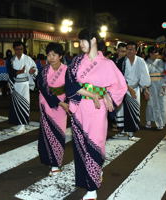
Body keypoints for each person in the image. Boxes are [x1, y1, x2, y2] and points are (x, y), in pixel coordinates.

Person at [65, 28, 127, 200]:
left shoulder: (107, 63)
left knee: (95, 144)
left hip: (97, 110)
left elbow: (120, 86)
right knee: (81, 147)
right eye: (79, 41)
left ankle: (92, 188)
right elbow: (70, 85)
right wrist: (92, 93)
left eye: (83, 40)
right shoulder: (76, 61)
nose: (80, 44)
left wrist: (109, 96)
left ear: (93, 40)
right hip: (79, 109)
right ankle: (88, 178)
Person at [37, 43, 69, 176]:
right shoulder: (44, 71)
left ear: (60, 56)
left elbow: (72, 89)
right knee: (46, 133)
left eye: (54, 55)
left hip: (62, 108)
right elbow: (43, 88)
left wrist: (66, 103)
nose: (51, 58)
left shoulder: (67, 70)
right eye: (49, 55)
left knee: (59, 134)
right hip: (46, 104)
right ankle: (49, 160)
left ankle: (56, 163)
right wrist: (60, 103)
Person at [114, 41, 151, 139]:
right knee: (120, 111)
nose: (129, 51)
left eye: (131, 49)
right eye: (128, 49)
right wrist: (128, 89)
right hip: (123, 90)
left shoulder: (141, 61)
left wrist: (145, 89)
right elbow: (119, 77)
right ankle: (122, 131)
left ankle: (131, 133)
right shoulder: (121, 61)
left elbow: (144, 75)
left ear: (136, 51)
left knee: (133, 111)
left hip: (135, 89)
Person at [8, 41, 38, 134]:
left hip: (24, 84)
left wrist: (33, 71)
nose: (19, 51)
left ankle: (23, 124)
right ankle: (18, 123)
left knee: (24, 104)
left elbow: (34, 68)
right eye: (17, 49)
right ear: (14, 49)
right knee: (16, 105)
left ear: (23, 49)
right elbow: (10, 71)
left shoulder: (28, 59)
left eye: (21, 49)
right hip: (15, 84)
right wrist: (18, 72)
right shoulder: (11, 60)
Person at [145, 47, 166, 130]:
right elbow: (144, 76)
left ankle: (158, 121)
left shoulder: (160, 62)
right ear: (150, 54)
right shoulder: (146, 63)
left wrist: (164, 85)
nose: (156, 54)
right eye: (154, 53)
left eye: (157, 53)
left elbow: (163, 74)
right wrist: (145, 88)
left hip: (160, 84)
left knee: (160, 104)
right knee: (151, 103)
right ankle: (153, 121)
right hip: (150, 85)